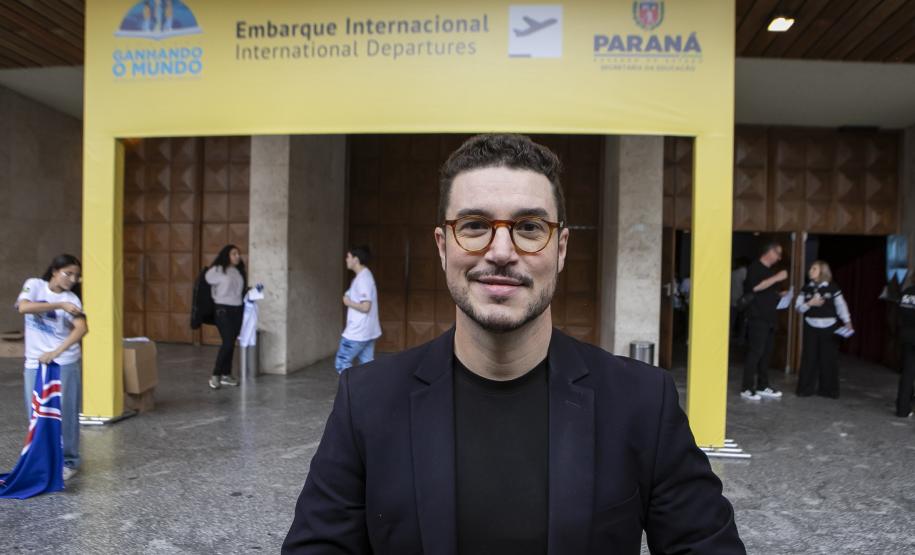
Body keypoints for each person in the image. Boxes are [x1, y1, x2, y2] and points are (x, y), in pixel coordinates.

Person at [283, 134, 744, 553]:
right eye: (475, 225)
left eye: (528, 228)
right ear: (443, 247)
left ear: (561, 249)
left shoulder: (642, 402)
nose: (501, 252)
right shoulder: (365, 401)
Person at [15, 254, 88, 481]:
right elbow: (23, 308)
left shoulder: (73, 300)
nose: (72, 279)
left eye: (76, 276)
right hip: (34, 362)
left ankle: (69, 460)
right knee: (36, 412)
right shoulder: (34, 285)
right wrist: (58, 304)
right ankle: (43, 457)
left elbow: (81, 328)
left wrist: (56, 352)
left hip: (63, 362)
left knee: (65, 412)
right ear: (55, 271)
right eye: (68, 273)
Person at [794, 261, 852, 398]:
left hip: (829, 328)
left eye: (814, 268)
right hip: (810, 326)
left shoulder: (833, 288)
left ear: (822, 271)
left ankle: (828, 390)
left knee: (829, 359)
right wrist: (810, 303)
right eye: (811, 268)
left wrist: (847, 321)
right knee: (809, 358)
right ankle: (805, 389)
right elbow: (798, 308)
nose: (810, 270)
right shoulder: (806, 288)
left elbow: (841, 306)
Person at [741, 242, 789, 401]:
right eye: (778, 253)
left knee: (766, 354)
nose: (779, 257)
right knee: (755, 353)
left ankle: (763, 385)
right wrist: (777, 277)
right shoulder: (755, 267)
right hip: (757, 318)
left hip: (769, 318)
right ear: (769, 252)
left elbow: (766, 293)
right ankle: (747, 388)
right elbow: (754, 288)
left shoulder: (768, 271)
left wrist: (780, 295)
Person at [334, 246, 382, 373]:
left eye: (348, 257)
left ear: (355, 259)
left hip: (357, 332)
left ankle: (351, 391)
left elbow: (366, 307)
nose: (346, 260)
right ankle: (367, 392)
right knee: (367, 367)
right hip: (368, 331)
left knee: (342, 363)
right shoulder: (364, 275)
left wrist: (348, 302)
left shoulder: (363, 279)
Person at [205, 244, 245, 389]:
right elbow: (205, 282)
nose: (237, 256)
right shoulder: (217, 270)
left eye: (238, 254)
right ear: (226, 255)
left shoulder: (238, 271)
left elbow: (238, 290)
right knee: (227, 343)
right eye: (234, 254)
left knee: (231, 343)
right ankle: (215, 375)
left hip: (237, 310)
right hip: (223, 310)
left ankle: (226, 375)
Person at [896, 279, 915, 418]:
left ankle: (902, 409)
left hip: (907, 335)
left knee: (908, 373)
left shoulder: (907, 293)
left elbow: (899, 313)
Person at [730, 257, 749, 343]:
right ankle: (741, 339)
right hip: (742, 300)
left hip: (732, 299)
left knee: (732, 320)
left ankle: (729, 337)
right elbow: (747, 284)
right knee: (743, 321)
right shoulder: (743, 271)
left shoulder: (732, 272)